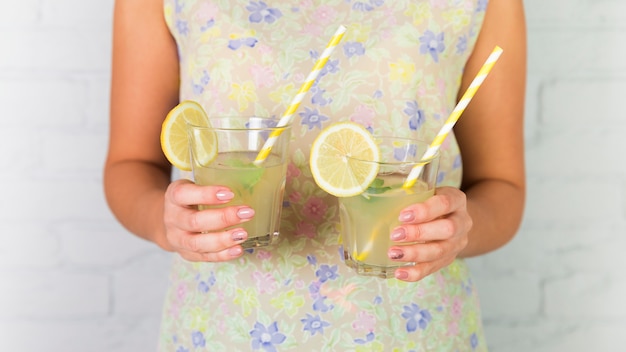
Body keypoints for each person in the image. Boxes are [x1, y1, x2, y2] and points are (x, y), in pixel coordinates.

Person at [104, 0, 526, 350]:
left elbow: (502, 186)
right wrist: (166, 222)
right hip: (224, 325)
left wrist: (458, 229)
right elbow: (129, 164)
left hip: (408, 328)